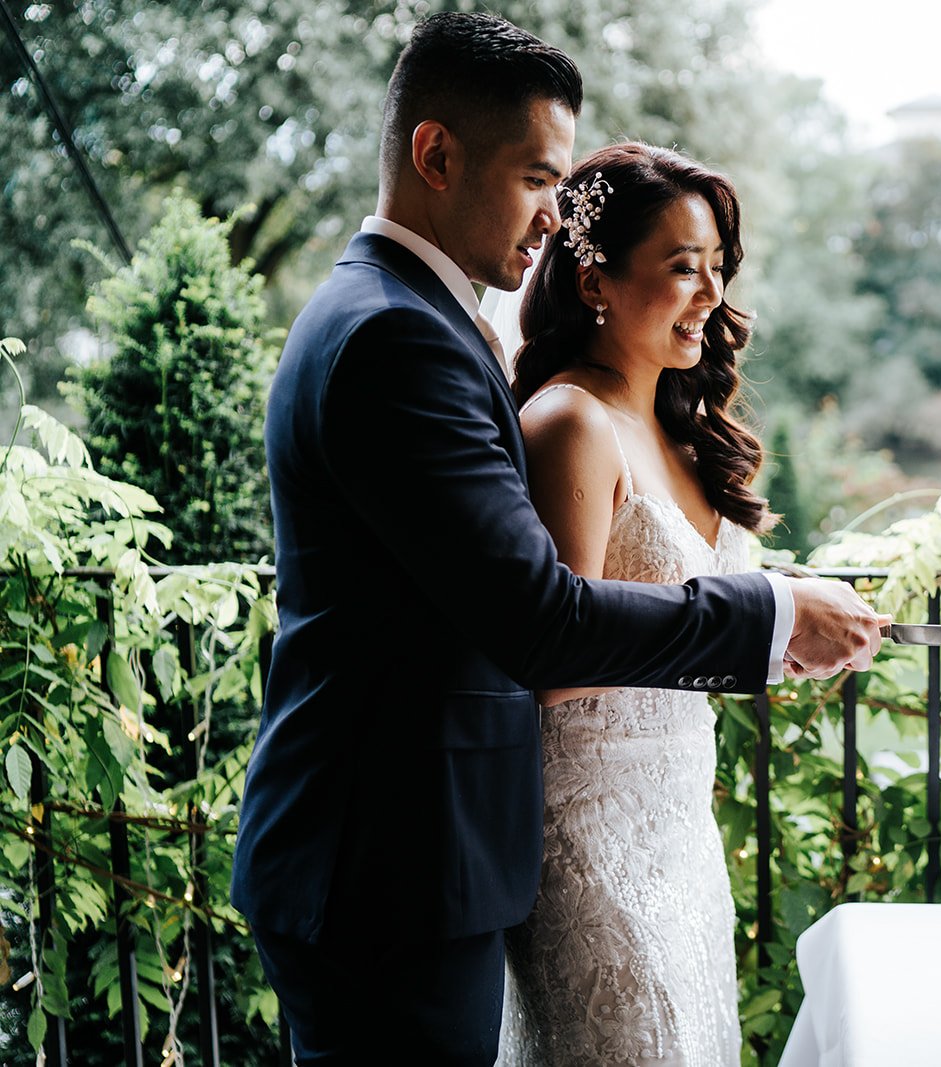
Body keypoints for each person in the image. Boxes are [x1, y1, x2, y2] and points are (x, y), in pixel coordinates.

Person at [230, 13, 888, 1065]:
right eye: (539, 178)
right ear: (435, 153)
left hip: (402, 850)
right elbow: (538, 619)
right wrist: (766, 615)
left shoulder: (402, 315)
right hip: (386, 862)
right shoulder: (399, 335)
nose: (555, 217)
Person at [493, 142, 766, 1065]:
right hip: (589, 850)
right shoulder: (570, 423)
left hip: (686, 834)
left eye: (718, 270)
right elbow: (554, 661)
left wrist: (784, 639)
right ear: (595, 279)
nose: (709, 294)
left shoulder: (689, 435)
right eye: (683, 267)